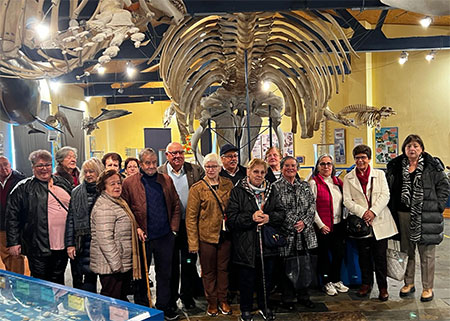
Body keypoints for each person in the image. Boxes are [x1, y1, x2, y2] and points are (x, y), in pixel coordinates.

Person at [386, 134, 450, 302]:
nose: (412, 149)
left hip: (426, 215)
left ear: (421, 148)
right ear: (404, 149)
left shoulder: (433, 166)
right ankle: (409, 283)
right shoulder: (396, 166)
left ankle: (428, 287)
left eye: (415, 146)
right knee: (407, 251)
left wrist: (438, 206)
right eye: (409, 146)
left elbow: (444, 186)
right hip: (403, 214)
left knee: (427, 253)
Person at [122, 148, 181, 321]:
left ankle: (165, 307)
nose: (151, 166)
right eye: (147, 163)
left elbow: (176, 205)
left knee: (166, 273)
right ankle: (142, 308)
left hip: (164, 235)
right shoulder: (130, 183)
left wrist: (174, 229)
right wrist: (137, 228)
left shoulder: (166, 180)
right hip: (143, 237)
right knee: (141, 275)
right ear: (140, 164)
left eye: (154, 162)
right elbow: (125, 209)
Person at [226, 158, 284, 321]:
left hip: (267, 244)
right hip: (246, 244)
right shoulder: (238, 191)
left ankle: (265, 307)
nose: (259, 175)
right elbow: (231, 218)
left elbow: (281, 213)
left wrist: (269, 218)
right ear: (248, 172)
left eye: (262, 172)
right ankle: (245, 309)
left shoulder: (272, 189)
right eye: (255, 171)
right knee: (246, 280)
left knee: (266, 279)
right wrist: (251, 217)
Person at [7, 150, 72, 284]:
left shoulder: (63, 183)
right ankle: (43, 305)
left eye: (47, 165)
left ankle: (56, 304)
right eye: (39, 166)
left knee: (59, 279)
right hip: (37, 245)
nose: (44, 169)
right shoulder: (23, 188)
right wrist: (13, 242)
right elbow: (12, 216)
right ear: (33, 167)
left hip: (62, 244)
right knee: (41, 282)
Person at [343, 144, 398, 301]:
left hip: (379, 220)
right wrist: (363, 213)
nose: (360, 161)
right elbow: (347, 200)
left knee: (380, 257)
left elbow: (385, 195)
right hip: (361, 223)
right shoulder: (348, 177)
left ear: (369, 159)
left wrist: (373, 211)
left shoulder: (380, 174)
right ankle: (366, 284)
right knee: (364, 256)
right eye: (358, 158)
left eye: (363, 157)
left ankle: (383, 287)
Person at [158, 142, 204, 310]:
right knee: (170, 263)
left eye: (180, 152)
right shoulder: (159, 173)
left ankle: (187, 296)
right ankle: (171, 298)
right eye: (173, 153)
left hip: (190, 226)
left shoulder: (195, 170)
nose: (177, 156)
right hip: (169, 227)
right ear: (167, 156)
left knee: (189, 261)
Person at [185, 153, 233, 316]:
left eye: (214, 166)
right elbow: (191, 218)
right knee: (208, 271)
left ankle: (223, 300)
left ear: (220, 168)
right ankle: (212, 302)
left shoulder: (228, 184)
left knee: (223, 270)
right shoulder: (197, 188)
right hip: (206, 237)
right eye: (208, 166)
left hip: (225, 235)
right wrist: (193, 243)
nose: (210, 169)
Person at [274, 156, 318, 310]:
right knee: (288, 267)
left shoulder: (304, 186)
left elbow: (312, 206)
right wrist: (294, 223)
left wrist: (304, 222)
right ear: (281, 168)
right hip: (287, 234)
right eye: (286, 165)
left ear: (297, 168)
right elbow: (278, 209)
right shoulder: (275, 187)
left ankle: (304, 296)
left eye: (293, 165)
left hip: (305, 234)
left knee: (305, 267)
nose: (290, 168)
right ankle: (288, 298)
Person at [90, 169, 141, 300]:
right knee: (113, 303)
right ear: (103, 187)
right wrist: (116, 265)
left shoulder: (118, 202)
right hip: (111, 268)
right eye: (112, 184)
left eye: (119, 183)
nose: (117, 186)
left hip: (120, 264)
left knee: (119, 302)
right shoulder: (104, 207)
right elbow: (105, 240)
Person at [309, 154, 349, 296]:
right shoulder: (314, 183)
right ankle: (326, 282)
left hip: (338, 225)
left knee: (339, 254)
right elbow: (311, 207)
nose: (326, 167)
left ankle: (336, 279)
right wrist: (320, 224)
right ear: (318, 167)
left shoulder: (338, 182)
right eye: (323, 164)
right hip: (323, 226)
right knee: (324, 256)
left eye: (329, 164)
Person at [65, 158, 104, 293]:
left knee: (107, 281)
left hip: (103, 242)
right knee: (87, 281)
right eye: (86, 172)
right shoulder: (76, 192)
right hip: (83, 243)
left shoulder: (107, 191)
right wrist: (70, 244)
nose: (88, 175)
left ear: (99, 172)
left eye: (92, 171)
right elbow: (70, 219)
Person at [0, 156, 26, 274]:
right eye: (0, 166)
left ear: (10, 165)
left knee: (16, 258)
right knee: (3, 259)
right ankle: (5, 289)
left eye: (5, 164)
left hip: (16, 228)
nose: (3, 168)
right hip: (0, 228)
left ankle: (19, 289)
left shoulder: (21, 180)